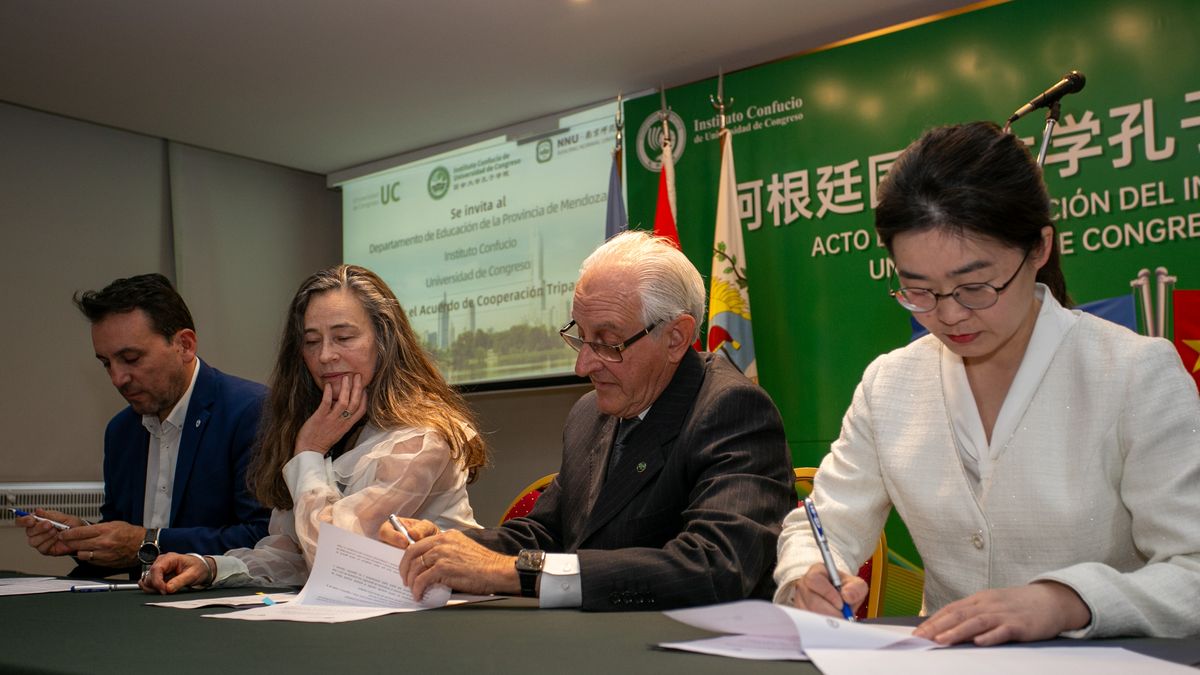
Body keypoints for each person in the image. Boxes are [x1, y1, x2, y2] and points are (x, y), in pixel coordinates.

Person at [773, 121, 1200, 644]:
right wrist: (809, 574)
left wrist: (1068, 600)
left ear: (1039, 248)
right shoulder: (891, 384)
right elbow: (822, 524)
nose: (949, 315)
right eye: (919, 290)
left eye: (975, 285)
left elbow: (1192, 569)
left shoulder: (1133, 373)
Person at [381, 231, 794, 611]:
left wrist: (514, 574)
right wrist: (447, 549)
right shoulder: (590, 413)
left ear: (676, 337)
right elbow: (547, 534)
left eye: (608, 343)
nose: (583, 365)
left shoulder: (732, 410)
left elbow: (715, 567)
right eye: (580, 336)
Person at [141, 264, 486, 593]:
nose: (324, 356)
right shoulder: (324, 426)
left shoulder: (422, 439)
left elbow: (335, 557)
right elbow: (295, 554)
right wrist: (212, 566)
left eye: (343, 337)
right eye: (311, 341)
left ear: (385, 342)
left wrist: (308, 452)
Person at [18, 273, 269, 578]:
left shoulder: (251, 411)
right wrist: (81, 538)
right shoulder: (121, 431)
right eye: (106, 363)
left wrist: (148, 542)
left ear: (185, 345)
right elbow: (123, 538)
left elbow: (264, 541)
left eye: (131, 358)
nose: (117, 378)